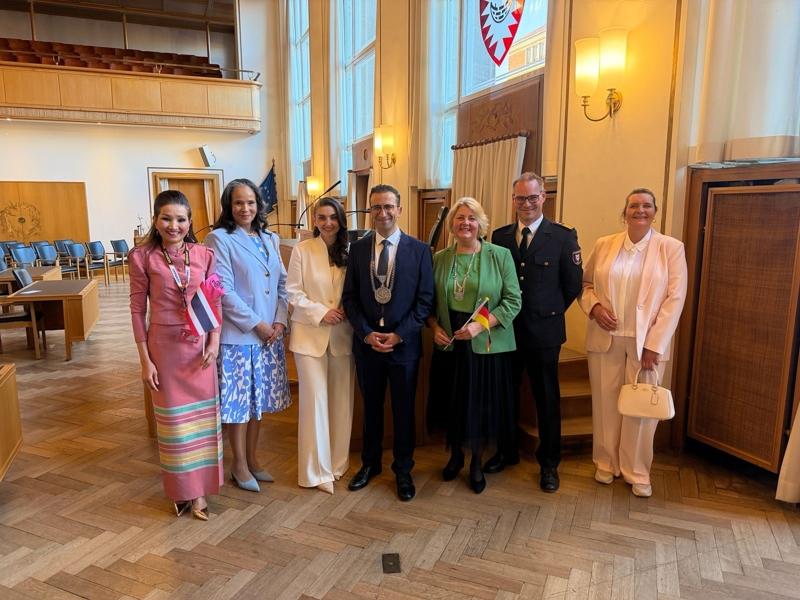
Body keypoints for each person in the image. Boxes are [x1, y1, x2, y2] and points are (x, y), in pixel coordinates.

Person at [579, 188, 687, 497]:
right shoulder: (604, 245)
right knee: (605, 403)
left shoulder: (670, 248)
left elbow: (675, 299)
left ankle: (637, 471)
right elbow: (585, 284)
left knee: (640, 410)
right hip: (606, 338)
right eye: (634, 205)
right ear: (624, 212)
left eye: (646, 205)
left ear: (655, 212)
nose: (640, 210)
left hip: (646, 345)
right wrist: (594, 308)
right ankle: (605, 462)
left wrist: (656, 344)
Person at [129, 189, 223, 520]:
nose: (174, 226)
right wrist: (145, 361)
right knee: (176, 427)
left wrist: (214, 342)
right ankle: (186, 491)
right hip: (164, 350)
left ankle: (200, 491)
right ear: (155, 220)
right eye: (166, 218)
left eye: (181, 219)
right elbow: (137, 310)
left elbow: (214, 300)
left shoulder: (204, 254)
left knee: (201, 422)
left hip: (199, 349)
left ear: (190, 222)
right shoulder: (142, 257)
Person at [491, 172, 583, 492]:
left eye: (532, 197)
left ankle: (549, 464)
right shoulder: (500, 236)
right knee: (506, 394)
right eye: (521, 198)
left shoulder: (562, 236)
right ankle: (507, 451)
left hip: (544, 333)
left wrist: (548, 313)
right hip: (507, 331)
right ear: (513, 200)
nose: (526, 204)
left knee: (546, 398)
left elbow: (572, 285)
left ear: (543, 197)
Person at [342, 184, 434, 501]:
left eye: (388, 207)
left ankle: (403, 470)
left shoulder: (419, 251)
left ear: (399, 209)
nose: (382, 213)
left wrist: (399, 334)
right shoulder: (358, 250)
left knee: (404, 411)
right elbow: (350, 298)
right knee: (372, 409)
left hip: (403, 347)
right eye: (376, 207)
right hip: (368, 346)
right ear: (370, 211)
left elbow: (425, 301)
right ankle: (370, 464)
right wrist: (366, 333)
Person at [427, 197, 521, 493]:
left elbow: (513, 301)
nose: (465, 223)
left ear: (481, 224)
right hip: (450, 341)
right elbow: (428, 303)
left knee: (481, 404)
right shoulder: (439, 258)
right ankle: (455, 456)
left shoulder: (500, 255)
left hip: (486, 343)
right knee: (452, 402)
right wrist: (435, 328)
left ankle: (477, 462)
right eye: (460, 218)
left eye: (471, 218)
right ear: (452, 225)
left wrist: (479, 325)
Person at [204, 178, 291, 493]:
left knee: (258, 403)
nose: (245, 208)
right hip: (239, 337)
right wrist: (257, 324)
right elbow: (223, 291)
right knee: (238, 405)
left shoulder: (270, 238)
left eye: (250, 202)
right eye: (238, 202)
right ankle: (238, 464)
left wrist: (279, 321)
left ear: (259, 205)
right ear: (229, 206)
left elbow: (282, 284)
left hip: (269, 336)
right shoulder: (219, 239)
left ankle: (253, 459)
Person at [286, 197, 354, 494]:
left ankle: (338, 463)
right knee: (315, 402)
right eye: (322, 217)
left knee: (341, 401)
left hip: (342, 335)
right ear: (314, 220)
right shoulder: (302, 250)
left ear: (341, 220)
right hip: (309, 336)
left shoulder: (351, 250)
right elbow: (292, 292)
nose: (328, 223)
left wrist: (349, 310)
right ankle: (316, 471)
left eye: (333, 217)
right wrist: (320, 312)